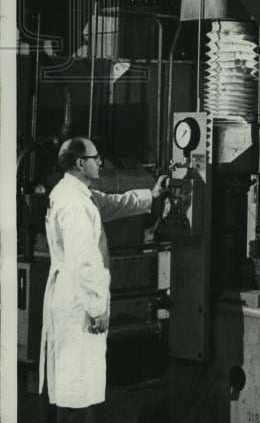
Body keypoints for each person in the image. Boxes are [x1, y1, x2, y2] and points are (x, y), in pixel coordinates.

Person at [39, 138, 168, 422]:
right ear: (79, 163)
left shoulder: (75, 193)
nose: (101, 162)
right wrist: (97, 309)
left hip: (72, 299)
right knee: (75, 390)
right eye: (96, 157)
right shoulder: (75, 205)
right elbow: (85, 262)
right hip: (78, 304)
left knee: (74, 387)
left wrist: (152, 195)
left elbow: (113, 204)